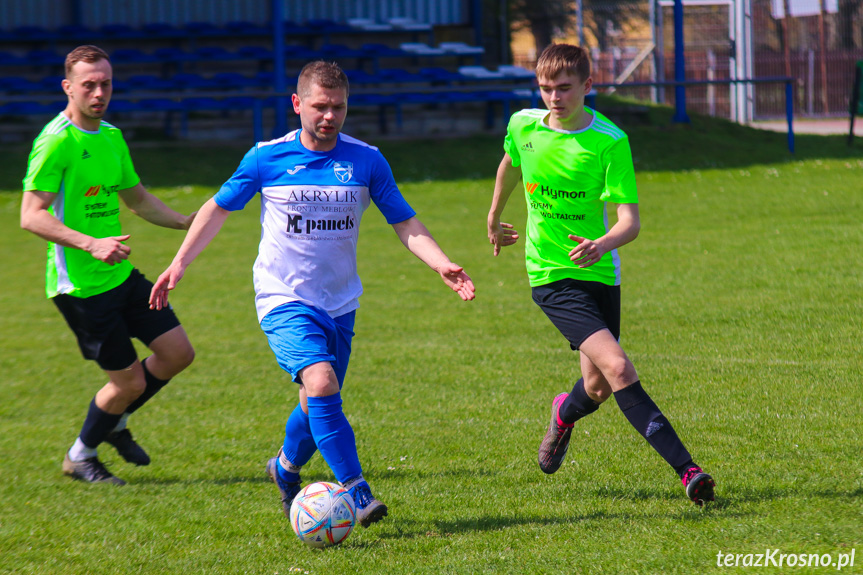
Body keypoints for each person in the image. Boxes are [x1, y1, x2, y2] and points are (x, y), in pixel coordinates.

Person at [149, 60, 475, 527]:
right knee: (321, 383)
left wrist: (441, 262)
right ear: (297, 104)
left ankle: (283, 468)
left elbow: (404, 221)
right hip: (283, 297)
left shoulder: (366, 160)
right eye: (319, 106)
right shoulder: (265, 157)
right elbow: (217, 209)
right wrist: (179, 262)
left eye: (338, 107)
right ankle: (357, 490)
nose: (329, 116)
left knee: (314, 398)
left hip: (341, 302)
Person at [487, 43, 715, 506]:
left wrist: (602, 244)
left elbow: (629, 222)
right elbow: (511, 163)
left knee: (596, 386)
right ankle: (688, 470)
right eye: (546, 88)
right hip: (550, 273)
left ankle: (564, 414)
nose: (554, 96)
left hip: (599, 269)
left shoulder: (609, 140)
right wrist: (493, 217)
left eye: (565, 88)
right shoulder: (523, 125)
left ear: (588, 86)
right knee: (618, 366)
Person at [20, 45, 196, 486]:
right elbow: (31, 214)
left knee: (177, 354)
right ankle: (81, 455)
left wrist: (187, 223)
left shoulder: (112, 138)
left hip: (120, 276)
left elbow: (136, 199)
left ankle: (114, 420)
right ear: (68, 87)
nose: (99, 92)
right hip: (80, 286)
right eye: (88, 85)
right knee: (129, 383)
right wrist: (90, 243)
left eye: (106, 83)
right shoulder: (56, 141)